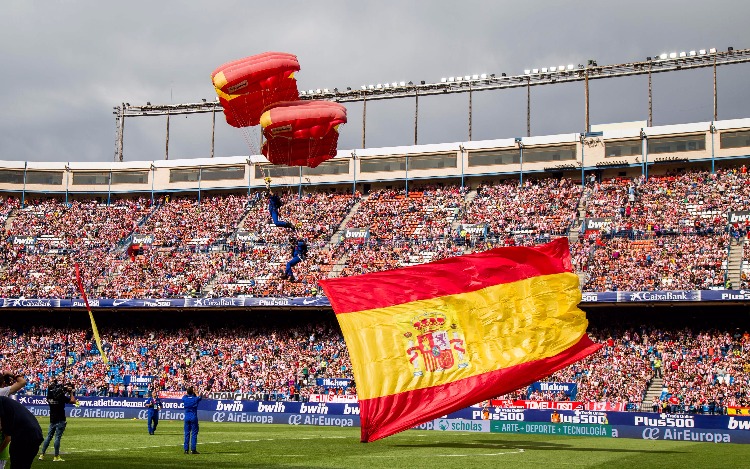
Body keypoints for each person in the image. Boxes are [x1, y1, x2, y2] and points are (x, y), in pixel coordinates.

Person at [0, 396, 43, 469]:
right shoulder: (5, 403)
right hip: (33, 435)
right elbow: (6, 434)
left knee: (17, 465)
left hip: (24, 436)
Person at [39, 380, 77, 462]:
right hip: (60, 419)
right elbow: (73, 401)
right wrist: (70, 392)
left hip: (52, 419)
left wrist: (63, 390)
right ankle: (56, 456)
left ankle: (42, 454)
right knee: (57, 438)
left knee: (48, 437)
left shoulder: (49, 397)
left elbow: (55, 393)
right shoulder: (61, 397)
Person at [182, 387, 201, 455]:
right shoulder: (195, 399)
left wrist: (188, 393)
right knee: (194, 434)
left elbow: (183, 397)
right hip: (193, 417)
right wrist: (196, 392)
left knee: (187, 433)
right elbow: (199, 397)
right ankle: (193, 449)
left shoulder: (185, 398)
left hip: (187, 417)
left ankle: (186, 450)